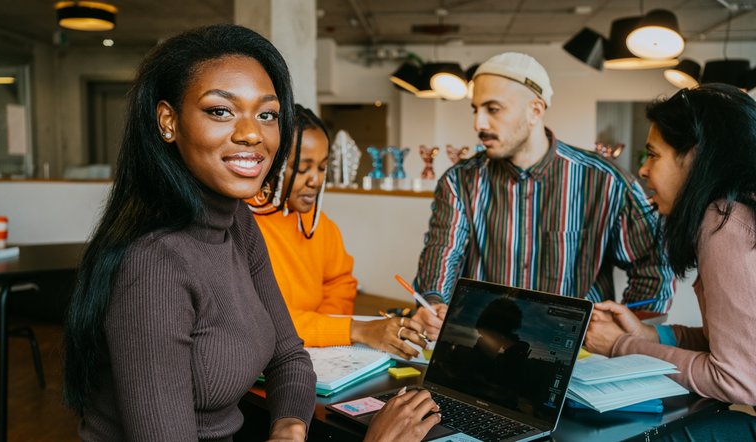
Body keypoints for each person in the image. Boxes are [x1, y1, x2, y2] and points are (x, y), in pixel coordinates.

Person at [62, 24, 439, 441]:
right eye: (220, 111)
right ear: (168, 121)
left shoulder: (238, 223)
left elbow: (290, 358)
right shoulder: (154, 265)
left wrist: (288, 427)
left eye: (267, 114)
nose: (252, 134)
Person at [411, 52, 675, 339]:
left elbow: (653, 267)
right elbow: (442, 255)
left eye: (493, 109)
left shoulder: (606, 180)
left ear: (535, 110)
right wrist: (433, 304)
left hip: (575, 349)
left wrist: (629, 330)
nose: (479, 124)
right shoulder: (459, 181)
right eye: (475, 110)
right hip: (480, 345)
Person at [585, 84, 756, 439]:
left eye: (653, 155)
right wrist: (651, 334)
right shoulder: (737, 213)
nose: (643, 170)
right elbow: (731, 344)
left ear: (694, 156)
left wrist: (621, 347)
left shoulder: (723, 222)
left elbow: (735, 378)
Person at [249, 104, 427, 359]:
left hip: (319, 354)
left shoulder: (321, 224)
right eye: (302, 168)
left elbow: (340, 282)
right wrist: (355, 330)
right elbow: (264, 322)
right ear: (270, 163)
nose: (316, 180)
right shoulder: (240, 225)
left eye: (322, 167)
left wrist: (325, 329)